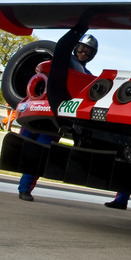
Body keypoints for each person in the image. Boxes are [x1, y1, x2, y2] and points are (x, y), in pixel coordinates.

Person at [19, 33, 97, 201]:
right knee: (23, 144)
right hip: (35, 111)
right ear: (76, 47)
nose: (84, 54)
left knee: (42, 152)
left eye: (89, 52)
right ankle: (23, 183)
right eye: (82, 49)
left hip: (55, 120)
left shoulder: (88, 76)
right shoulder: (54, 62)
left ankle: (25, 187)